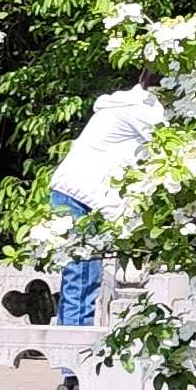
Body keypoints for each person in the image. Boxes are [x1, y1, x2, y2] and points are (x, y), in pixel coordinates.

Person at [42, 85, 164, 326]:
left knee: (76, 282)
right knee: (82, 281)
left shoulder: (123, 103)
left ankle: (68, 355)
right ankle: (73, 360)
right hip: (83, 198)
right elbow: (172, 148)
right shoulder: (144, 107)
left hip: (72, 192)